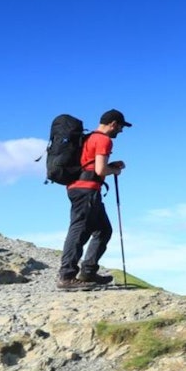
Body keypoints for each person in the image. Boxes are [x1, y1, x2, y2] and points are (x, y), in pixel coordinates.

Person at [57, 109, 131, 290]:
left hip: (81, 188)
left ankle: (88, 272)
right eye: (120, 127)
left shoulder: (90, 138)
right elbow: (100, 170)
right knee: (79, 230)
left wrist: (110, 166)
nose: (120, 131)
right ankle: (66, 276)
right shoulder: (103, 140)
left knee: (103, 229)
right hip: (86, 190)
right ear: (113, 124)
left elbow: (92, 164)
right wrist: (114, 170)